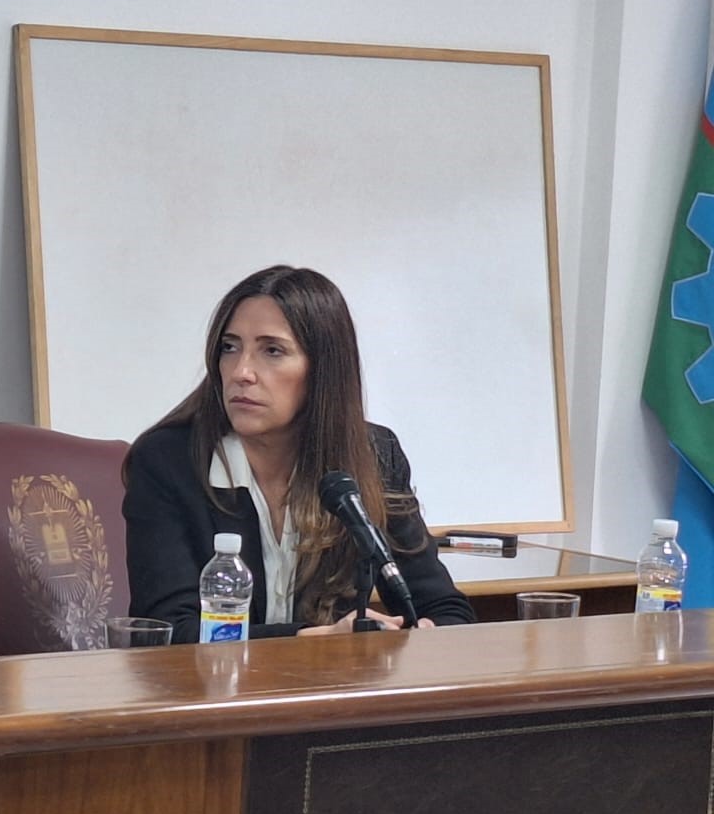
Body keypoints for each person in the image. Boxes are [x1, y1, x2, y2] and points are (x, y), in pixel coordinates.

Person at [122, 264, 474, 643]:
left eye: (272, 351)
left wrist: (425, 635)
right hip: (214, 680)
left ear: (322, 370)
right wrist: (314, 641)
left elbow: (444, 608)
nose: (241, 372)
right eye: (230, 347)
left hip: (336, 681)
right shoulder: (168, 460)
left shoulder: (373, 456)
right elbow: (168, 632)